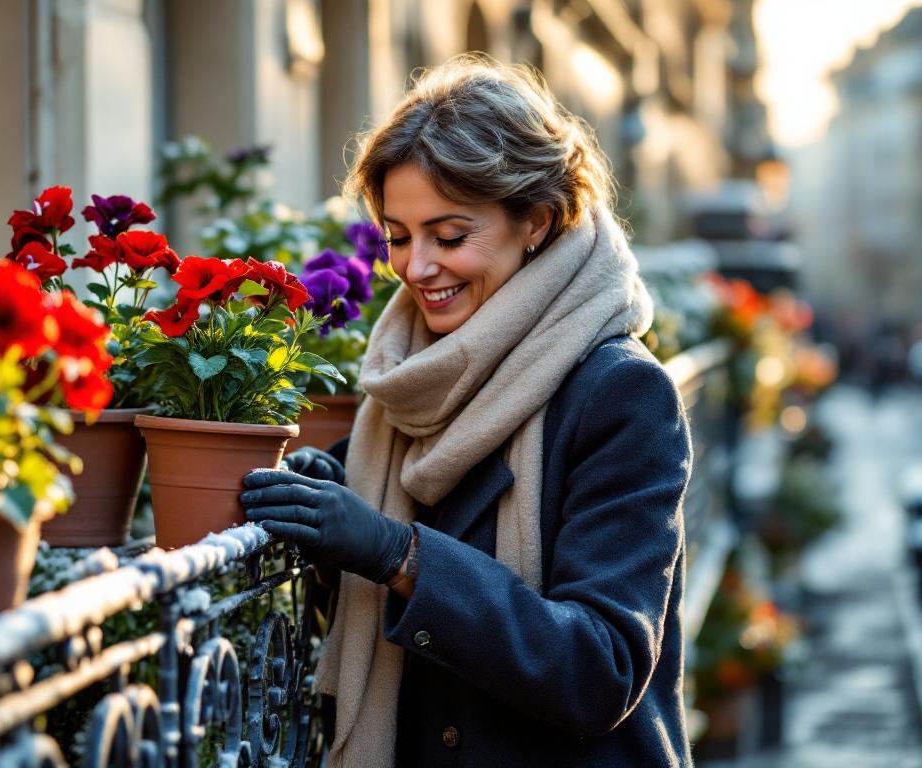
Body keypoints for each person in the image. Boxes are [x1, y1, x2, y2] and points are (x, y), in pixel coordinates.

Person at [241, 55, 693, 767]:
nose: (417, 267)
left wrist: (398, 554)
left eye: (449, 237)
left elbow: (600, 668)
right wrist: (326, 488)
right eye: (397, 236)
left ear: (537, 222)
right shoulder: (416, 377)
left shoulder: (621, 392)